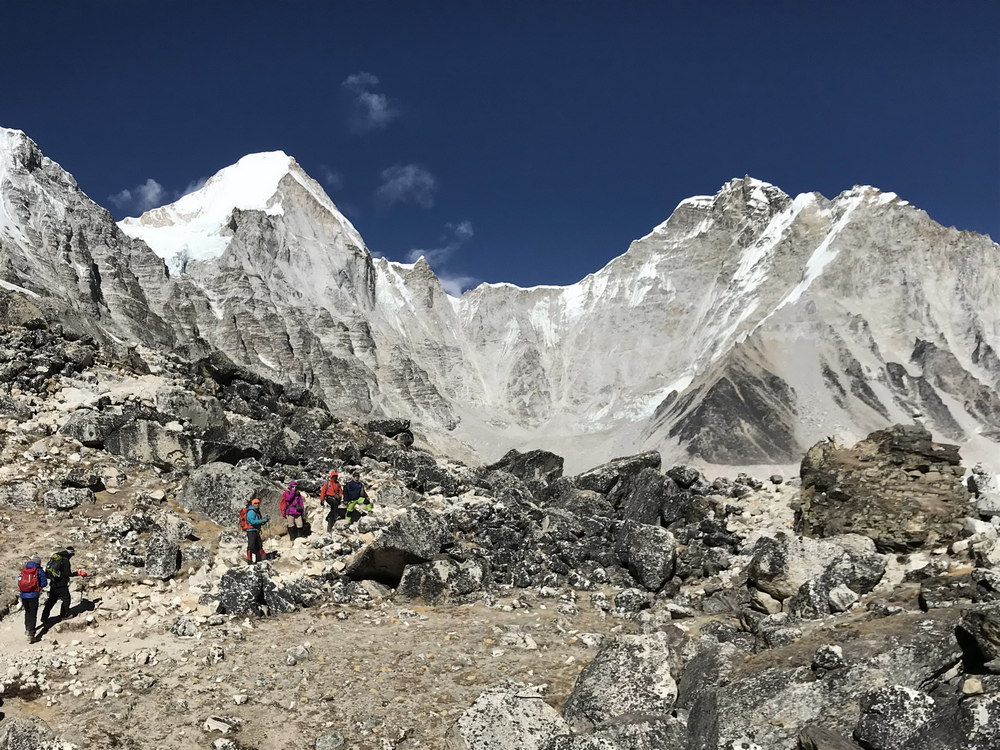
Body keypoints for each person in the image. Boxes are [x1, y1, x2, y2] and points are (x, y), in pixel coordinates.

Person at [41, 546, 86, 624]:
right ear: (70, 554)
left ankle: (44, 617)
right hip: (61, 584)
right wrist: (78, 573)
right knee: (66, 599)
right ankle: (64, 615)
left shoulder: (57, 558)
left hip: (53, 583)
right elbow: (68, 574)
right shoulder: (65, 561)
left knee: (51, 601)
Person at [17, 555, 47, 642]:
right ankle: (31, 634)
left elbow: (19, 580)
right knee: (33, 614)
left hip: (23, 595)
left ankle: (27, 629)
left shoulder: (24, 569)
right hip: (33, 595)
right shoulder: (39, 570)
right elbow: (44, 583)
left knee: (27, 612)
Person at [245, 498, 269, 564]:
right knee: (251, 545)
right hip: (251, 531)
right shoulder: (250, 512)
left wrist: (265, 520)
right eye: (255, 503)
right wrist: (261, 521)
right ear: (252, 504)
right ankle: (249, 560)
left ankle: (260, 559)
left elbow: (259, 522)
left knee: (259, 545)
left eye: (258, 503)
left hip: (256, 531)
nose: (257, 504)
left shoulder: (257, 512)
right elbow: (252, 522)